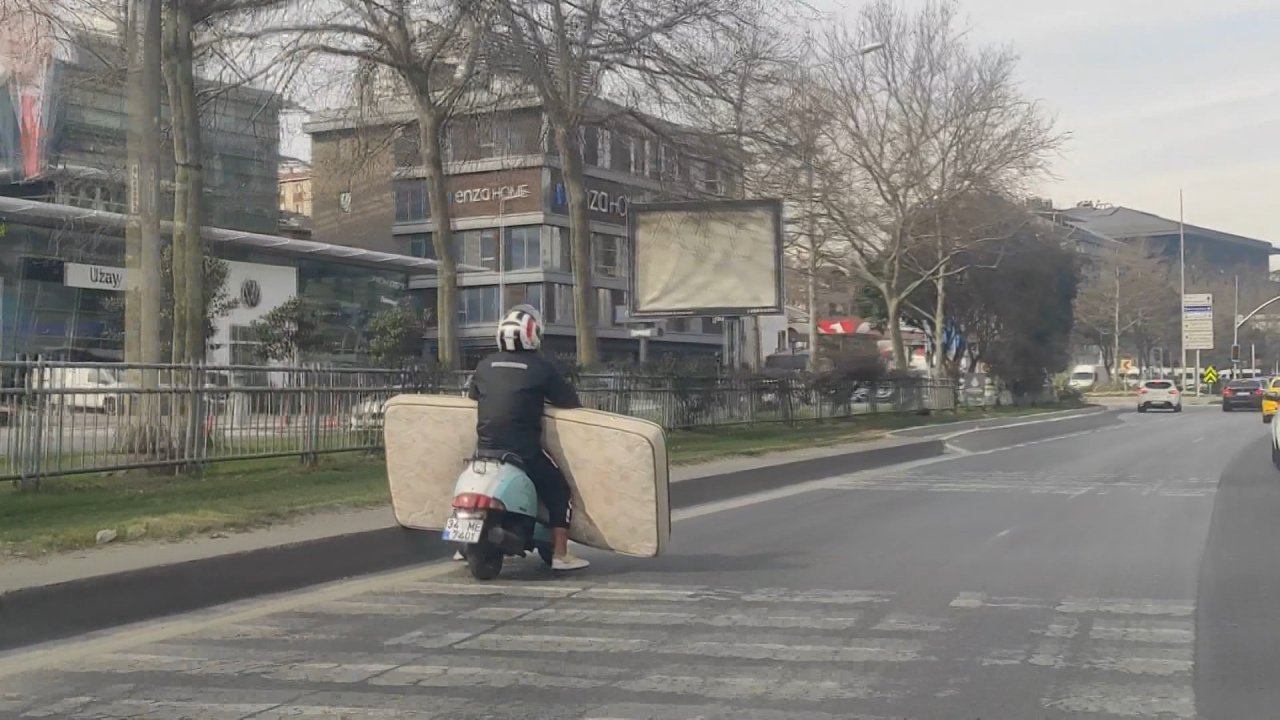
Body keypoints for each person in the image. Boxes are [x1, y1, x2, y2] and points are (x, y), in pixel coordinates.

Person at [461, 304, 590, 571]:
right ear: (534, 336)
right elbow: (570, 403)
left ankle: (464, 542)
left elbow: (473, 398)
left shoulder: (484, 366)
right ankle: (561, 553)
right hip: (523, 450)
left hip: (484, 449)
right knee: (559, 488)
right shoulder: (541, 368)